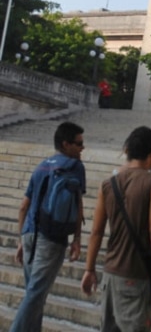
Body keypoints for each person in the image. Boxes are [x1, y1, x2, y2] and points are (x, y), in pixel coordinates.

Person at [81, 126, 151, 331]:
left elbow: (96, 232)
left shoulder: (108, 183)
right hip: (136, 274)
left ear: (127, 150)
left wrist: (89, 268)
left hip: (111, 272)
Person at [10, 122, 86, 332]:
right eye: (78, 144)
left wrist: (21, 239)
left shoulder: (41, 166)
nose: (82, 148)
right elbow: (78, 205)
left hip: (29, 234)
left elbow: (23, 206)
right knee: (35, 294)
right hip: (51, 237)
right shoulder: (75, 167)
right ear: (65, 144)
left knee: (35, 295)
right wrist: (77, 239)